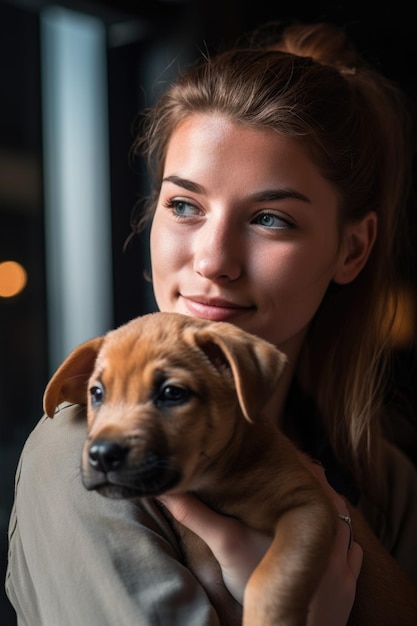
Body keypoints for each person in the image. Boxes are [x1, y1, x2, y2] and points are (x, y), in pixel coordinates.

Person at [6, 19, 417, 626]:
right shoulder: (83, 458)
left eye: (271, 218)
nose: (212, 260)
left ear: (352, 249)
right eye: (184, 206)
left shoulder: (385, 479)